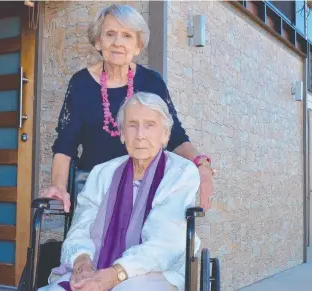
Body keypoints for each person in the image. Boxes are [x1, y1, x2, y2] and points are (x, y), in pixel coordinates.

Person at [41, 4, 215, 211]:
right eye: (110, 34)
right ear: (98, 41)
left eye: (127, 36)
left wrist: (201, 163)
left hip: (145, 188)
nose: (118, 43)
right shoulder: (81, 84)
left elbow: (174, 135)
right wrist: (59, 187)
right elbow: (65, 145)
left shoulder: (151, 82)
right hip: (96, 190)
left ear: (138, 46)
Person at [39, 92, 201, 291]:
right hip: (97, 264)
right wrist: (82, 261)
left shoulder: (181, 173)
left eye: (150, 125)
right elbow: (81, 227)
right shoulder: (102, 173)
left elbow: (164, 244)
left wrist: (116, 274)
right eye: (132, 125)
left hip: (160, 270)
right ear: (122, 134)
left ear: (165, 135)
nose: (140, 135)